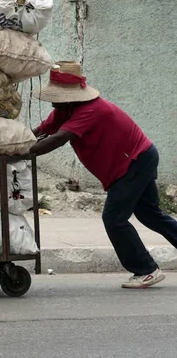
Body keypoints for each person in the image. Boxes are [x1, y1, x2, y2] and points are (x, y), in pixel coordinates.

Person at [30, 61, 177, 289]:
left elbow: (57, 139)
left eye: (55, 95)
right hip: (138, 158)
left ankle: (146, 269)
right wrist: (14, 140)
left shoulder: (91, 110)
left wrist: (24, 151)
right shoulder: (64, 110)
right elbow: (41, 131)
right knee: (150, 215)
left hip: (135, 162)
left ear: (68, 96)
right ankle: (146, 267)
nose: (51, 99)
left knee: (114, 219)